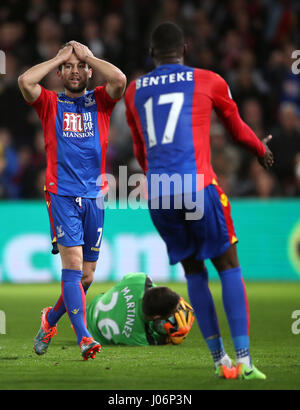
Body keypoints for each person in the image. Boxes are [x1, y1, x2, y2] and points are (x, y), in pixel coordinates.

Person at [124, 22, 274, 379]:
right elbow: (236, 127)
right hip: (197, 186)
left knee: (193, 269)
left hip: (159, 192)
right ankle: (245, 361)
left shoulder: (134, 91)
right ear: (185, 49)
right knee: (228, 264)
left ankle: (219, 361)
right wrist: (261, 149)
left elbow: (140, 149)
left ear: (151, 54)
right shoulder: (208, 79)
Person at [18, 41, 126, 360]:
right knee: (74, 267)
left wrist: (87, 55)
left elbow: (119, 80)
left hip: (95, 195)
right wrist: (58, 57)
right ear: (61, 73)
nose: (75, 71)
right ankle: (84, 338)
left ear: (90, 71)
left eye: (81, 67)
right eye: (69, 67)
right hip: (61, 193)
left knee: (88, 276)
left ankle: (49, 320)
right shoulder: (50, 103)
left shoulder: (102, 101)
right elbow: (25, 81)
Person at [87, 272, 194, 346]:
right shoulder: (139, 337)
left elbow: (149, 287)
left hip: (93, 306)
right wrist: (169, 339)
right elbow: (159, 339)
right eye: (172, 313)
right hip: (92, 333)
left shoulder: (139, 280)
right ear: (157, 316)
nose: (177, 312)